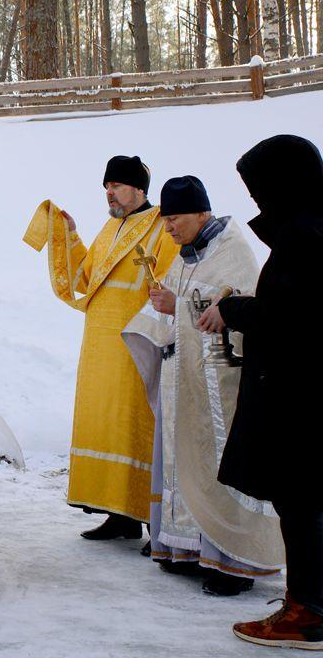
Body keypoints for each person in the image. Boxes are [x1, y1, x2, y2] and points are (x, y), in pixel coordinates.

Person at [190, 136, 323, 647]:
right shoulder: (311, 227)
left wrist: (234, 309)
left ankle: (307, 612)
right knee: (306, 503)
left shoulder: (304, 236)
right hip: (306, 390)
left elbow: (290, 317)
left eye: (260, 189)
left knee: (301, 504)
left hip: (299, 396)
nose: (256, 200)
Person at [122, 176, 282, 596]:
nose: (169, 228)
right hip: (184, 383)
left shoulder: (233, 252)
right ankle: (188, 548)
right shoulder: (185, 257)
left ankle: (233, 562)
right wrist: (162, 311)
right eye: (165, 220)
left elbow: (246, 311)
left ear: (202, 213)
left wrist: (179, 307)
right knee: (184, 463)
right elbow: (178, 306)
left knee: (218, 466)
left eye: (175, 219)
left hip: (221, 388)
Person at [23, 155, 177, 541]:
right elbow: (86, 278)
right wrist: (70, 235)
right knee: (107, 426)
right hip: (99, 346)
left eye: (117, 185)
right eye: (106, 186)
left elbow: (170, 281)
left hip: (136, 342)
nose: (109, 192)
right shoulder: (111, 228)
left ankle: (153, 522)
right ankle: (119, 515)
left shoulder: (160, 226)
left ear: (138, 188)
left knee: (136, 426)